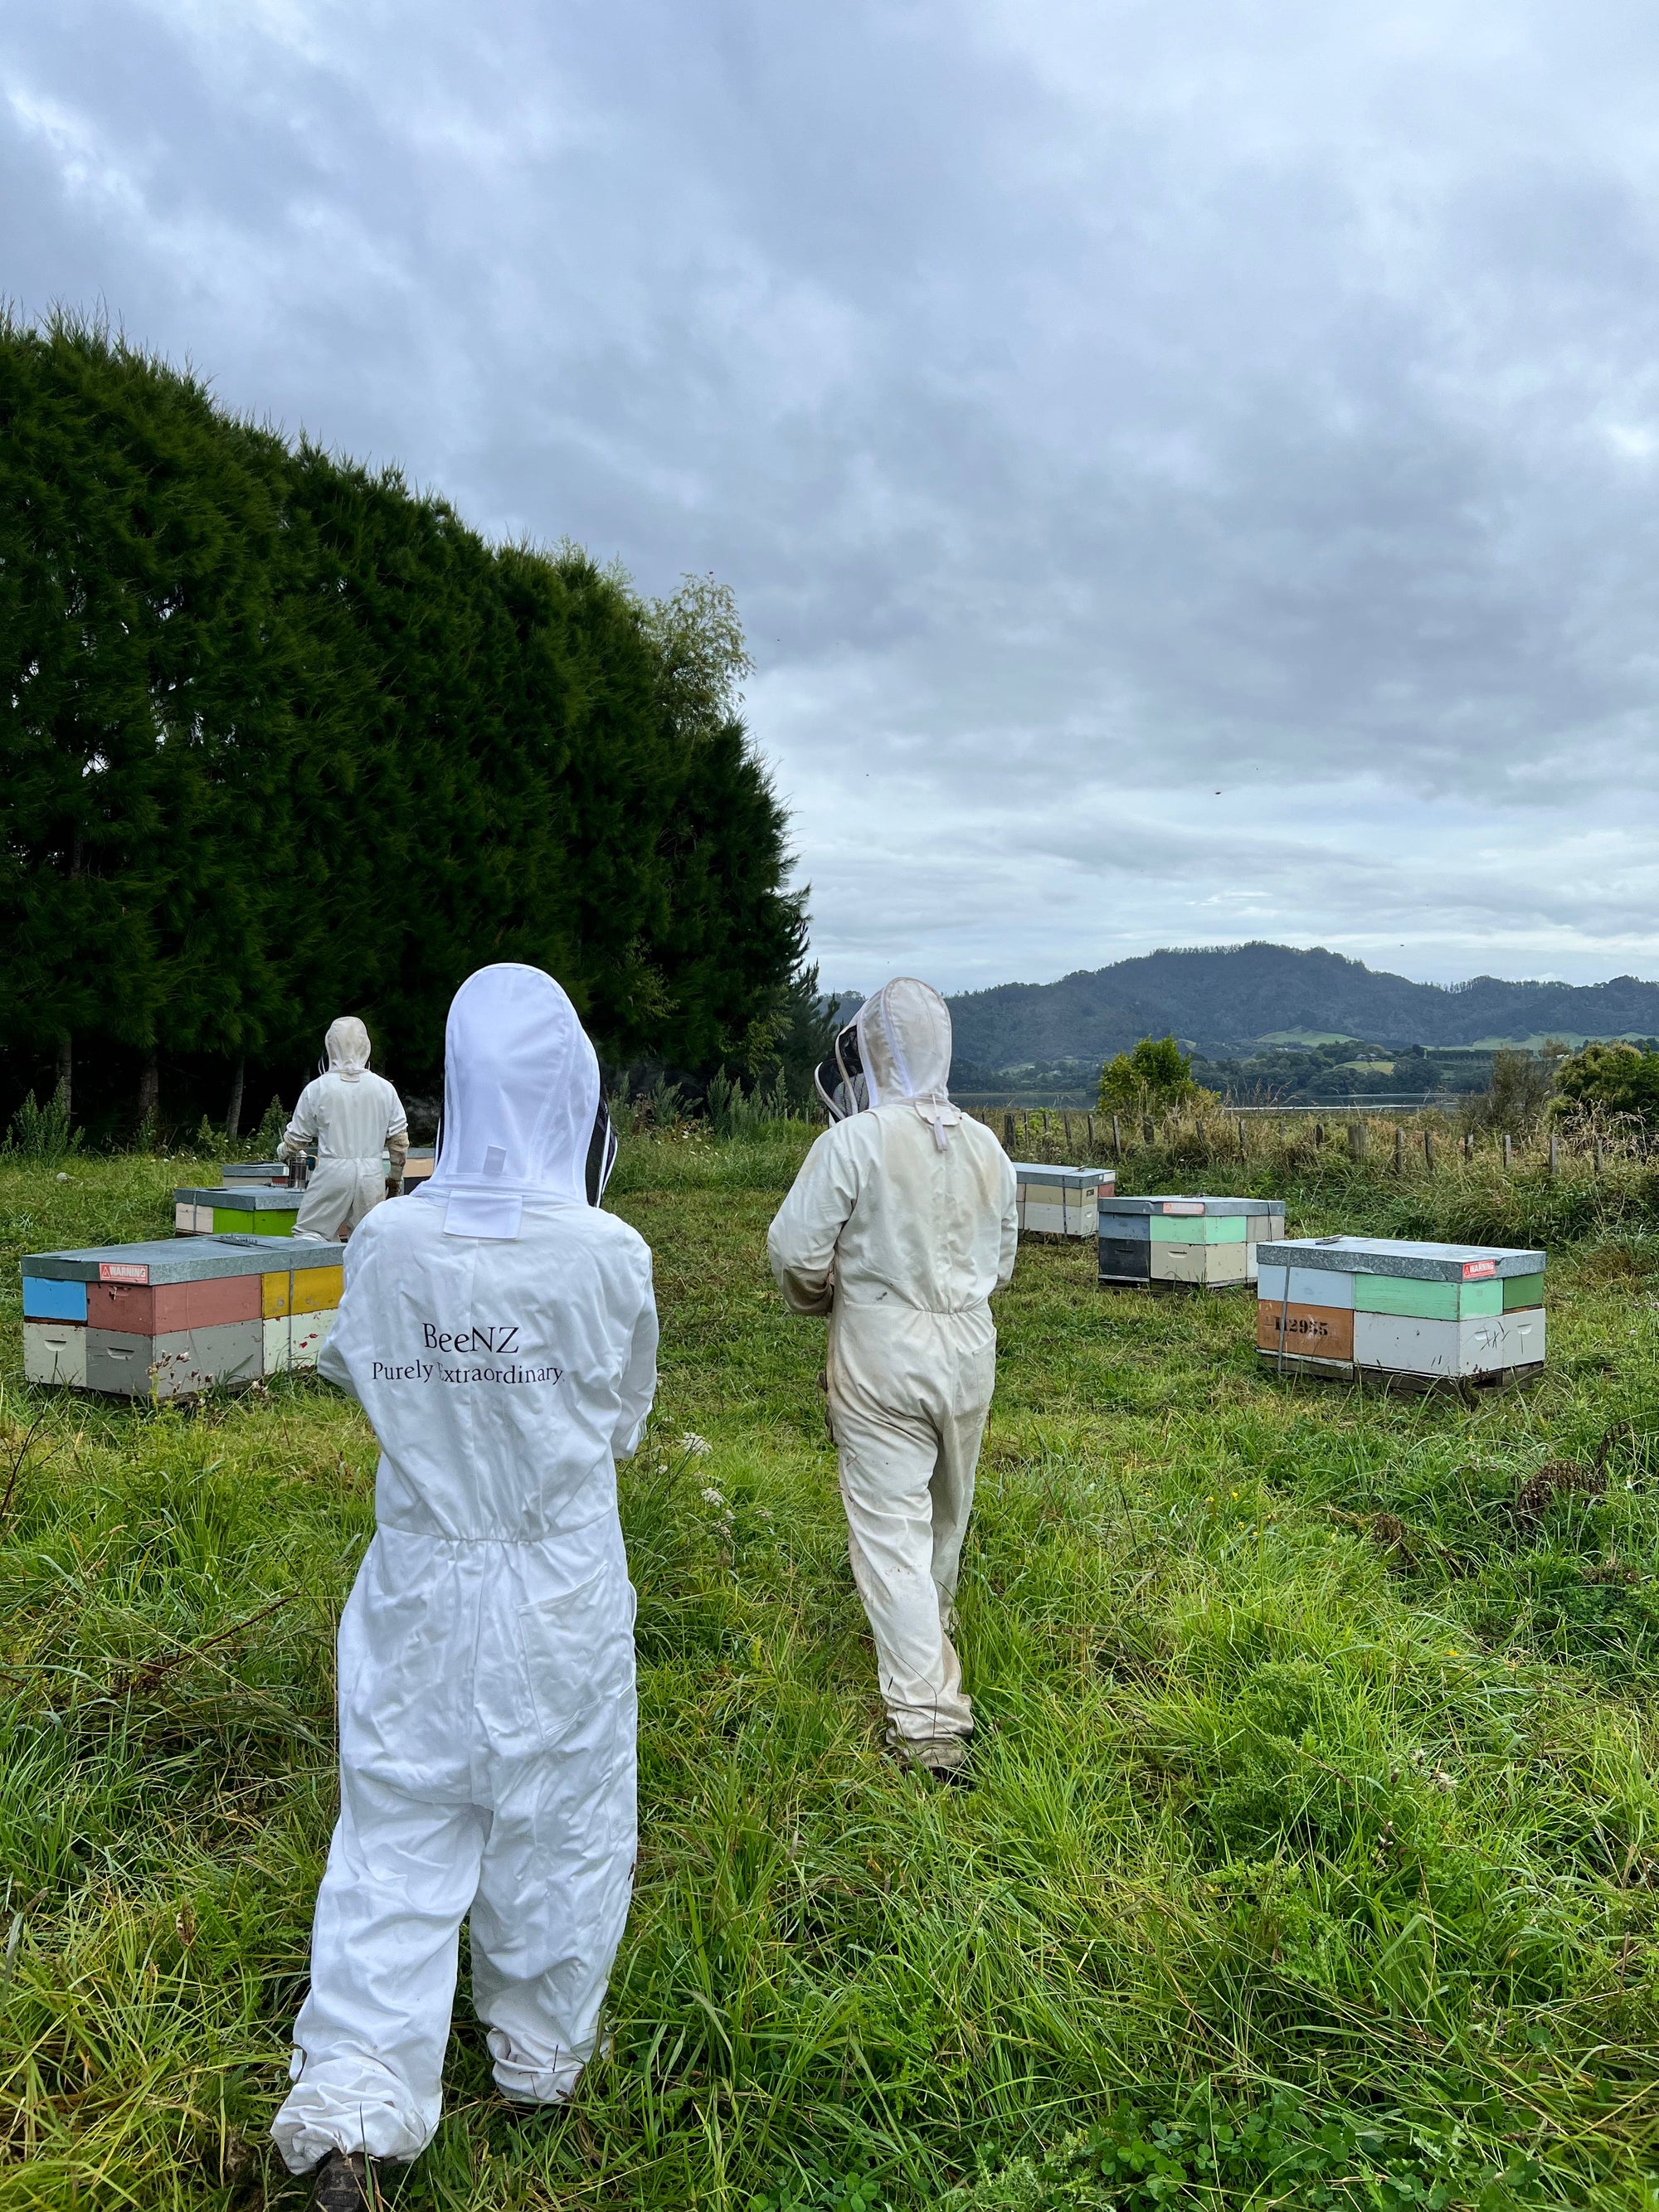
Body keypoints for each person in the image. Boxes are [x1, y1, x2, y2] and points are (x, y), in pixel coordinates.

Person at [270, 965, 657, 2210]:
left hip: (420, 1581)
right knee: (562, 1816)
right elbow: (623, 1421)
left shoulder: (387, 1236)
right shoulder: (608, 1254)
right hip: (556, 1582)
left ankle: (350, 2109)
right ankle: (540, 2058)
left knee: (395, 1824)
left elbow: (366, 1373)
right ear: (569, 1089)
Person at [766, 977, 1017, 1784]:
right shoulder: (987, 1146)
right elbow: (1002, 1263)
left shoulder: (853, 1141)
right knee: (946, 1516)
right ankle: (927, 1639)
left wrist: (825, 1300)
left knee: (892, 1536)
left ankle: (929, 1731)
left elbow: (793, 1251)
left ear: (871, 1053)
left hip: (881, 1350)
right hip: (968, 1344)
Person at [280, 1017, 410, 1242]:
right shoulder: (385, 1089)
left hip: (332, 1170)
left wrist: (283, 1152)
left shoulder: (318, 1088)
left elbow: (296, 1140)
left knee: (310, 1234)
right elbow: (399, 1143)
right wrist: (395, 1179)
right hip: (372, 1174)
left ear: (331, 1046)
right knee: (368, 1240)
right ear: (365, 1046)